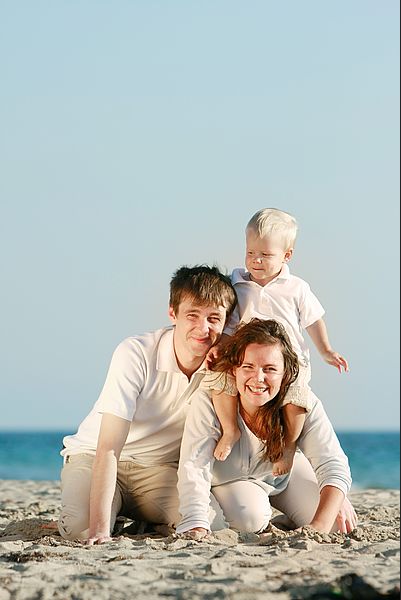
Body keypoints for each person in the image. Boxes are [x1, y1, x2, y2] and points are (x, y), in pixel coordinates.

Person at [58, 265, 237, 544]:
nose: (203, 328)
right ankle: (108, 515)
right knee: (80, 531)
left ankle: (141, 518)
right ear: (172, 313)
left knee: (208, 526)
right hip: (96, 458)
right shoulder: (136, 352)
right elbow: (108, 448)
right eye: (193, 315)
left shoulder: (223, 365)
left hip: (158, 470)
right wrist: (100, 531)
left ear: (226, 322)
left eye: (214, 318)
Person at [177, 318, 356, 539]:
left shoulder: (300, 403)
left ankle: (288, 520)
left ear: (286, 374)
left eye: (270, 369)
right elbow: (194, 465)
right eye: (248, 367)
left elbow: (333, 463)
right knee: (250, 520)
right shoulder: (209, 400)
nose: (258, 378)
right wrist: (195, 521)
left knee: (335, 524)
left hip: (282, 477)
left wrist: (330, 503)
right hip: (230, 482)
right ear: (235, 370)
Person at [210, 208, 349, 475]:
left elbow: (313, 320)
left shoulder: (296, 287)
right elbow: (229, 323)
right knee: (218, 378)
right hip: (247, 358)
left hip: (290, 359)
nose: (256, 261)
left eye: (265, 255)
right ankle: (230, 430)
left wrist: (326, 350)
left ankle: (287, 446)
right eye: (250, 253)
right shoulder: (237, 284)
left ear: (287, 256)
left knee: (297, 397)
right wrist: (220, 348)